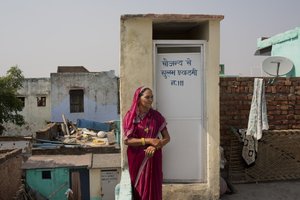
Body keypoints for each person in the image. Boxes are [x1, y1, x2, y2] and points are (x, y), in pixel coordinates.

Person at [123, 86, 171, 200]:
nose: (150, 100)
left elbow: (167, 138)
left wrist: (156, 146)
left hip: (153, 157)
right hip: (137, 159)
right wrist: (148, 140)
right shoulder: (131, 117)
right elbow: (127, 140)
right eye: (147, 97)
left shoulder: (156, 116)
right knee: (139, 189)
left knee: (154, 188)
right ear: (138, 99)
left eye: (152, 97)